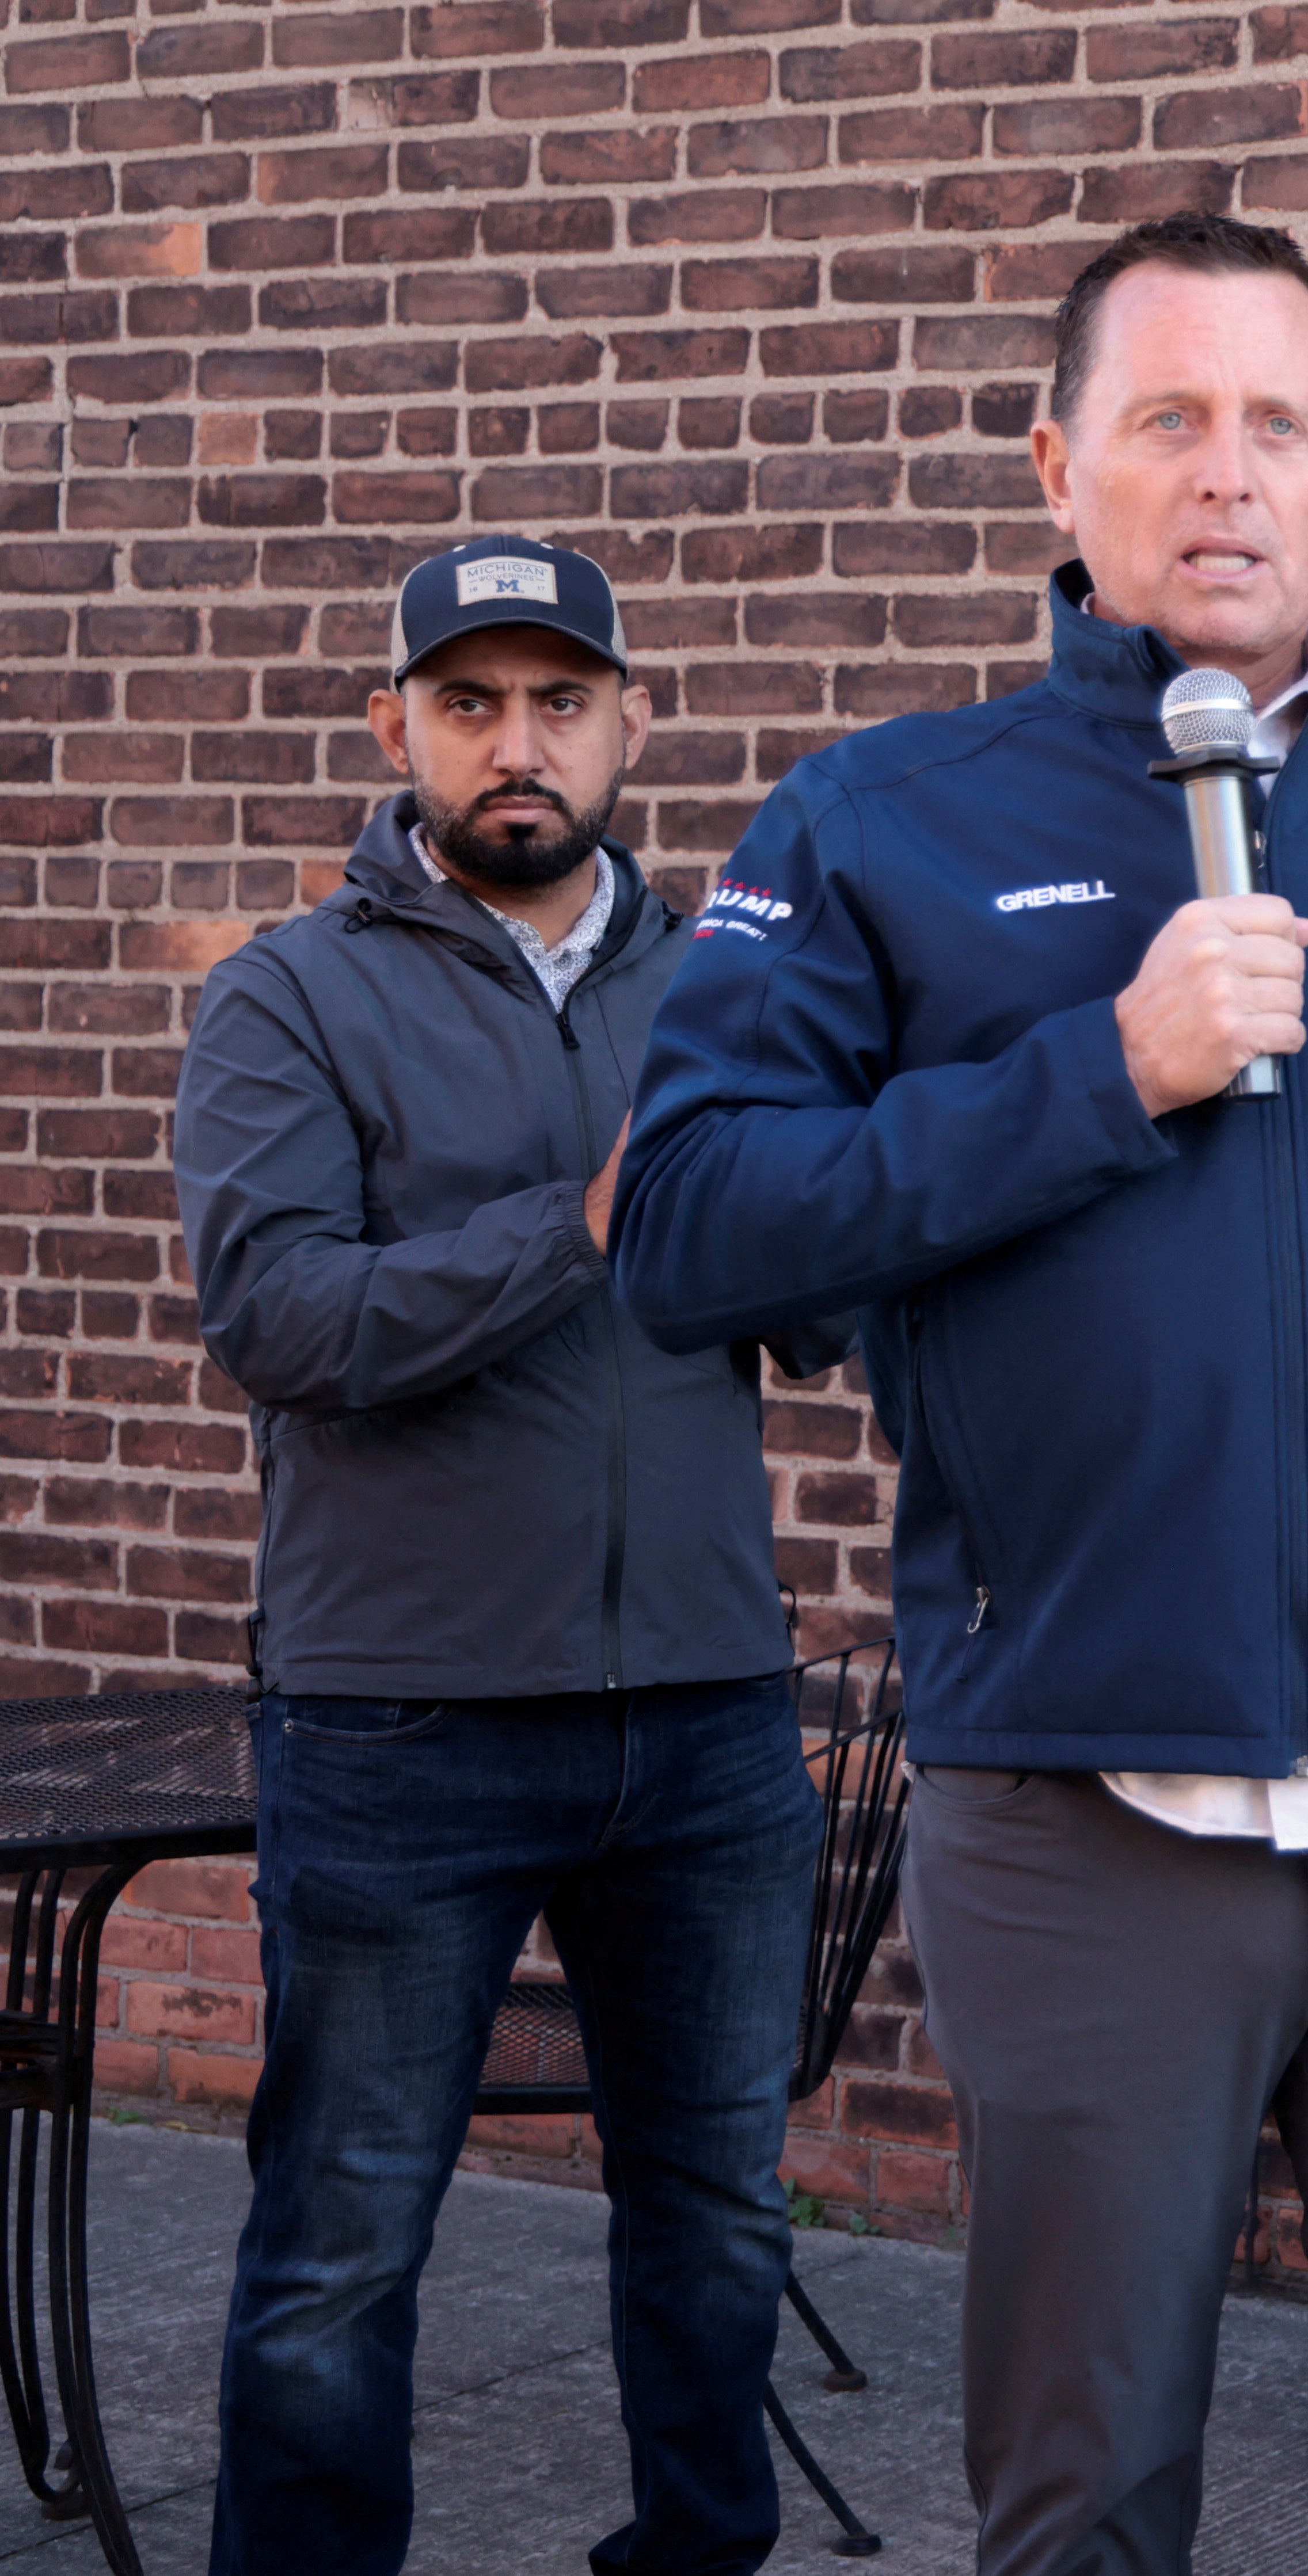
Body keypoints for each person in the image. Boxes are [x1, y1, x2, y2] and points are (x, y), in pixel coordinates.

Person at [611, 214, 1308, 2576]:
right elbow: (694, 1226)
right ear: (1059, 465)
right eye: (1165, 420)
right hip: (1083, 1826)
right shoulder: (877, 825)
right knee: (1077, 2506)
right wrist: (1099, 1071)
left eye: (1278, 425)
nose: (1224, 477)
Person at [174, 535, 838, 2576]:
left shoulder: (742, 982)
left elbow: (814, 1308)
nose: (518, 745)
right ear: (396, 732)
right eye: (469, 703)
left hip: (712, 1718)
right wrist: (585, 1217)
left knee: (721, 2215)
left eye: (561, 700)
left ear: (636, 718)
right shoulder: (290, 995)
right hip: (406, 1724)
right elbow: (282, 1322)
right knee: (343, 2241)